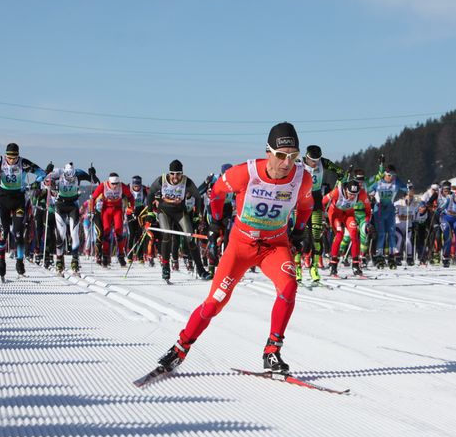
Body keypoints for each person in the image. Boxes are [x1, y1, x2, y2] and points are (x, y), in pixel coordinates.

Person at [154, 122, 313, 375]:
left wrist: (301, 230)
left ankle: (272, 351)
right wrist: (215, 222)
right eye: (282, 156)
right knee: (215, 302)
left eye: (293, 156)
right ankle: (180, 347)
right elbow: (216, 193)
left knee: (289, 286)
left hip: (274, 245)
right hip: (241, 245)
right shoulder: (245, 173)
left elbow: (306, 205)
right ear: (268, 152)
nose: (287, 163)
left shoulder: (301, 177)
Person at [0, 143, 46, 279]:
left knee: (18, 232)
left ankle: (20, 262)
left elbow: (42, 173)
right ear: (5, 155)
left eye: (14, 157)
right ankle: (1, 262)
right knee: (3, 232)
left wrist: (36, 183)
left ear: (18, 156)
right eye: (9, 157)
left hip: (19, 200)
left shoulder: (24, 163)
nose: (11, 160)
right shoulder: (0, 160)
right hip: (3, 199)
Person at [146, 160, 212, 281]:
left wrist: (197, 216)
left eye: (178, 173)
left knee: (190, 237)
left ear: (182, 173)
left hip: (180, 212)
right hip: (164, 212)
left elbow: (198, 197)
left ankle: (201, 270)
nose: (175, 177)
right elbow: (150, 194)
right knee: (166, 235)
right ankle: (165, 267)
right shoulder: (162, 180)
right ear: (169, 173)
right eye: (172, 173)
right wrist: (150, 212)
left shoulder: (187, 182)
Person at [297, 145, 345, 282]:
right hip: (301, 202)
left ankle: (314, 268)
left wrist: (341, 180)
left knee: (316, 237)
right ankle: (297, 268)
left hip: (316, 200)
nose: (315, 163)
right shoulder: (298, 163)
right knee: (299, 237)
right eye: (312, 160)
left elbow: (341, 172)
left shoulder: (323, 162)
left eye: (317, 160)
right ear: (307, 157)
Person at [46, 163, 98, 274]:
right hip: (60, 205)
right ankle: (59, 260)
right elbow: (44, 181)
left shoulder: (78, 173)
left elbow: (93, 180)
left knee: (74, 234)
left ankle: (75, 260)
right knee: (61, 233)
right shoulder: (57, 173)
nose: (70, 180)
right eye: (68, 178)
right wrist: (47, 174)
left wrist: (92, 173)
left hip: (73, 206)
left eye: (72, 178)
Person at [324, 178, 371, 277]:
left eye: (354, 195)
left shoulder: (361, 194)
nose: (352, 197)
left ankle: (356, 265)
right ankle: (333, 265)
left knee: (354, 235)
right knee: (340, 235)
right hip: (335, 214)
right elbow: (323, 201)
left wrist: (367, 222)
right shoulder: (337, 191)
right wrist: (322, 216)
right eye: (350, 194)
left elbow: (368, 209)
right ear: (345, 190)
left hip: (349, 214)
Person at [90, 172, 133, 267]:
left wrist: (131, 209)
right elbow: (93, 198)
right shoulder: (103, 185)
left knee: (119, 232)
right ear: (109, 182)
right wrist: (92, 211)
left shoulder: (122, 186)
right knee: (106, 232)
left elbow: (130, 197)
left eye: (116, 183)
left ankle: (121, 256)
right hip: (106, 211)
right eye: (113, 184)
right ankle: (105, 256)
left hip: (117, 210)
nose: (115, 186)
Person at [368, 164, 408, 267]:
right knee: (381, 234)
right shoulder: (378, 182)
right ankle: (379, 255)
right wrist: (371, 196)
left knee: (391, 233)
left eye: (394, 175)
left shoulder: (396, 182)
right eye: (390, 175)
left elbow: (406, 189)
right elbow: (368, 190)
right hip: (379, 210)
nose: (391, 177)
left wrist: (407, 194)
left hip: (390, 210)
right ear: (385, 174)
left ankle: (391, 255)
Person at [437, 186, 456, 267]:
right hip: (446, 218)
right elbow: (440, 208)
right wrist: (438, 211)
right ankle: (446, 258)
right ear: (455, 196)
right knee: (448, 238)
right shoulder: (449, 199)